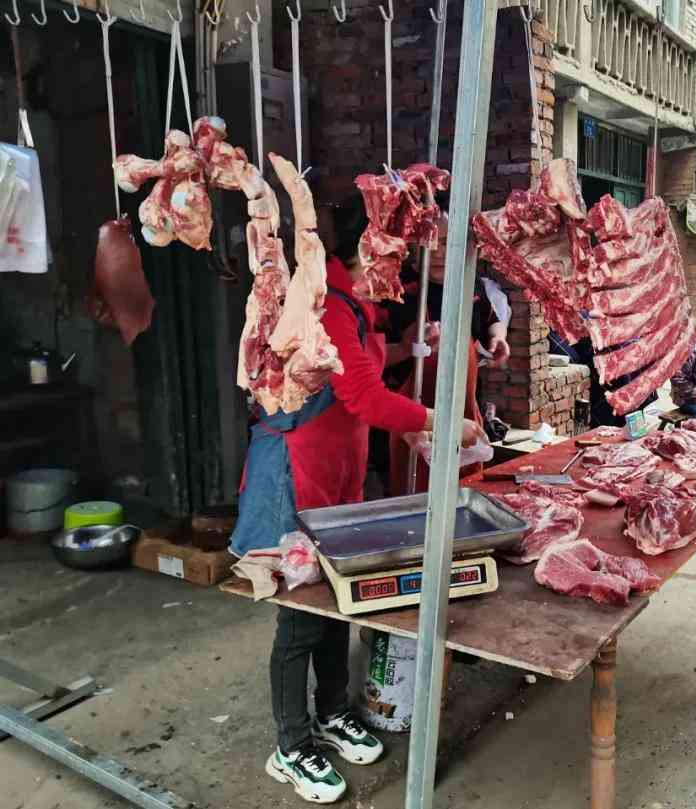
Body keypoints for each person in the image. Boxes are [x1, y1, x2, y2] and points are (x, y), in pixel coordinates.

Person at [229, 199, 483, 803]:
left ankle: (331, 712)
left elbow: (359, 384)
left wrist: (409, 393)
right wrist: (439, 420)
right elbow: (364, 398)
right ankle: (291, 746)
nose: (399, 269)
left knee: (338, 602)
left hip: (338, 474)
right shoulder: (326, 305)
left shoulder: (358, 306)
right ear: (359, 251)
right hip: (295, 476)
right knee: (300, 615)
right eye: (391, 256)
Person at [380, 212, 510, 495]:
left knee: (462, 493)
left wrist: (498, 338)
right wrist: (409, 344)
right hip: (415, 420)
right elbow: (381, 355)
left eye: (449, 243)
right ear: (417, 246)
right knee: (416, 497)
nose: (439, 251)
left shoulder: (469, 284)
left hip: (463, 411)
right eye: (432, 242)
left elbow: (492, 319)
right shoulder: (400, 289)